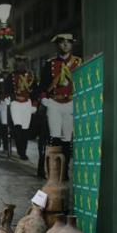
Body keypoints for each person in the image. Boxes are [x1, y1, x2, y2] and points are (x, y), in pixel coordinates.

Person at [39, 33, 82, 178]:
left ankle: (64, 170)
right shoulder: (50, 63)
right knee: (54, 137)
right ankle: (54, 169)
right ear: (57, 45)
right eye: (62, 42)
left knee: (67, 139)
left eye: (68, 42)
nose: (65, 44)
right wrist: (44, 98)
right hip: (54, 103)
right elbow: (43, 84)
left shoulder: (78, 62)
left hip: (71, 102)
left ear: (71, 44)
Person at [4, 54, 38, 160]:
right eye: (19, 61)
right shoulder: (11, 76)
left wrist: (34, 104)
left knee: (25, 129)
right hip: (15, 103)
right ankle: (21, 150)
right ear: (16, 63)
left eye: (23, 61)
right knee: (17, 127)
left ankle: (23, 150)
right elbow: (6, 89)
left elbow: (35, 91)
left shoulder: (31, 76)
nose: (21, 64)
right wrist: (8, 97)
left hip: (27, 103)